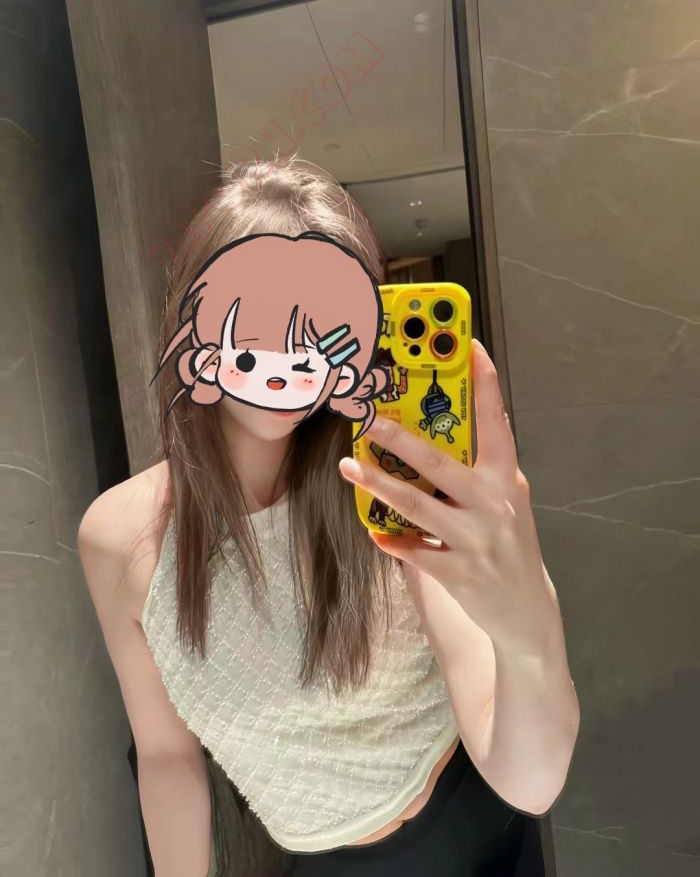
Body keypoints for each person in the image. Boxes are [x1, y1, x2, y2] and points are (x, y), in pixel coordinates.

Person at [78, 155, 579, 877]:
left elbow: (529, 779)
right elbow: (164, 757)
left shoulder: (385, 483)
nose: (289, 366)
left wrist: (530, 624)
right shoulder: (120, 538)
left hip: (484, 833)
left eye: (321, 340)